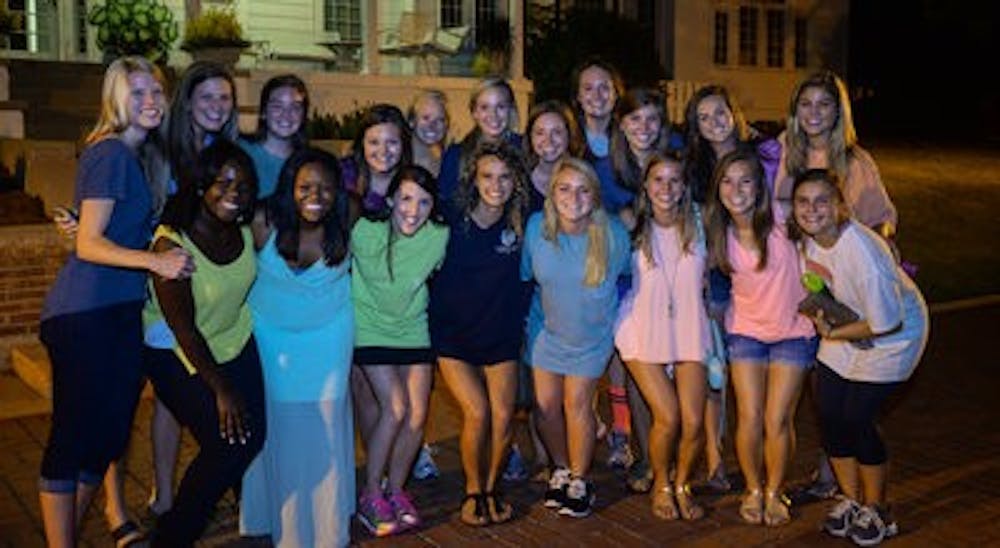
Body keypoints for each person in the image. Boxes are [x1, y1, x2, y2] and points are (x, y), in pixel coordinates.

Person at [36, 56, 191, 548]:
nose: (150, 100)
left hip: (115, 311)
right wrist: (156, 262)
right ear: (115, 98)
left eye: (156, 91)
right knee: (74, 438)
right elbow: (89, 244)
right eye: (137, 92)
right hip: (85, 313)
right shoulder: (111, 154)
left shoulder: (134, 155)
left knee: (105, 439)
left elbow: (97, 227)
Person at [775, 70, 899, 501]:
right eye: (805, 104)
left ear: (838, 111)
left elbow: (882, 218)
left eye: (824, 104)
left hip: (848, 290)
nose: (814, 113)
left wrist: (875, 253)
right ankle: (833, 474)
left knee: (850, 392)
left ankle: (852, 484)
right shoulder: (787, 152)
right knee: (822, 388)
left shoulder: (855, 161)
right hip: (804, 280)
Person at [789, 169, 927, 547]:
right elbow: (823, 286)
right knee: (830, 414)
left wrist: (834, 333)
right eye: (803, 202)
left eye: (822, 201)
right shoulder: (809, 241)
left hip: (895, 335)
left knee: (857, 417)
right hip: (849, 323)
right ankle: (850, 499)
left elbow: (887, 321)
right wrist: (823, 315)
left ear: (840, 206)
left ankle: (878, 508)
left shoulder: (863, 251)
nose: (812, 209)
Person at [142, 140, 263, 546]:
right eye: (222, 183)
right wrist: (222, 389)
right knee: (225, 444)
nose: (233, 193)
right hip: (176, 351)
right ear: (200, 186)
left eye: (243, 186)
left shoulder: (244, 229)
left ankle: (252, 511)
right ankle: (173, 536)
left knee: (252, 435)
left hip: (233, 337)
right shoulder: (172, 245)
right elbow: (185, 330)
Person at [239, 148, 355, 546]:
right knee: (281, 427)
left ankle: (328, 528)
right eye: (305, 187)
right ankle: (282, 524)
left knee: (326, 421)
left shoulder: (349, 218)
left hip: (329, 336)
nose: (315, 196)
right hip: (272, 339)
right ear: (290, 187)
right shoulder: (262, 221)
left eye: (326, 188)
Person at [144, 60, 243, 521]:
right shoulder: (161, 153)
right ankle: (165, 494)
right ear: (187, 102)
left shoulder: (230, 153)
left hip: (216, 292)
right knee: (169, 400)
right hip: (170, 285)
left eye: (225, 98)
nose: (216, 106)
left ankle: (227, 486)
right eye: (206, 97)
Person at [704, 147, 817, 526]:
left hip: (793, 332)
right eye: (727, 181)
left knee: (777, 419)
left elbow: (825, 233)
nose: (736, 190)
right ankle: (753, 488)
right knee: (749, 417)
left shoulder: (786, 220)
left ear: (759, 187)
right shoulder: (718, 233)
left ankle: (774, 491)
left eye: (745, 181)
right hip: (745, 332)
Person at [682, 84, 782, 492]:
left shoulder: (764, 155)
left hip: (763, 278)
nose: (714, 123)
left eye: (720, 113)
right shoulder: (696, 168)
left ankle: (758, 459)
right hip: (717, 277)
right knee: (716, 370)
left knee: (753, 377)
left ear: (734, 112)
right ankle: (715, 458)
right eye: (703, 118)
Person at [522, 158, 631, 518]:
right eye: (565, 189)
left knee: (577, 404)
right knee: (545, 406)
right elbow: (526, 276)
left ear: (595, 196)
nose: (574, 198)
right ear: (552, 194)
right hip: (546, 332)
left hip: (592, 337)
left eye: (584, 190)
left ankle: (580, 480)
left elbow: (632, 276)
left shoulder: (613, 234)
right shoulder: (537, 228)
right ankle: (562, 468)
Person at [429, 140, 530, 526]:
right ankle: (473, 490)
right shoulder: (449, 217)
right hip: (453, 337)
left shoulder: (522, 223)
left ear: (515, 182)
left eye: (505, 177)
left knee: (504, 415)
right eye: (488, 176)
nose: (496, 185)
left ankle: (491, 487)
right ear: (473, 178)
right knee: (477, 411)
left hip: (500, 335)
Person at [351, 165, 449, 537]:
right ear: (391, 200)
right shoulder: (365, 230)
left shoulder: (439, 236)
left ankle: (396, 490)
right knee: (394, 408)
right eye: (406, 199)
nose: (413, 210)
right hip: (370, 329)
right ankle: (371, 493)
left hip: (413, 330)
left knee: (417, 414)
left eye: (424, 202)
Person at [614, 152, 709, 521]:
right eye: (657, 180)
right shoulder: (630, 223)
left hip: (688, 327)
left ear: (684, 186)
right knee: (668, 417)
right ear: (645, 185)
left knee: (694, 421)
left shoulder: (700, 222)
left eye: (674, 180)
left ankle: (682, 483)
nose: (666, 188)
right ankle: (661, 483)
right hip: (642, 328)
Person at [438, 77, 522, 201]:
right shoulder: (456, 155)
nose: (493, 115)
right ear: (474, 112)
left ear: (511, 109)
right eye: (484, 107)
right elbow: (445, 203)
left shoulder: (525, 148)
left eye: (500, 107)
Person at [238, 74, 310, 198]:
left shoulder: (309, 164)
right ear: (263, 112)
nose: (286, 115)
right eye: (277, 107)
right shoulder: (240, 152)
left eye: (295, 107)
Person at [407, 89, 450, 177]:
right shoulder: (395, 161)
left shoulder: (445, 163)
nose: (432, 125)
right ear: (411, 121)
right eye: (426, 118)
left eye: (440, 119)